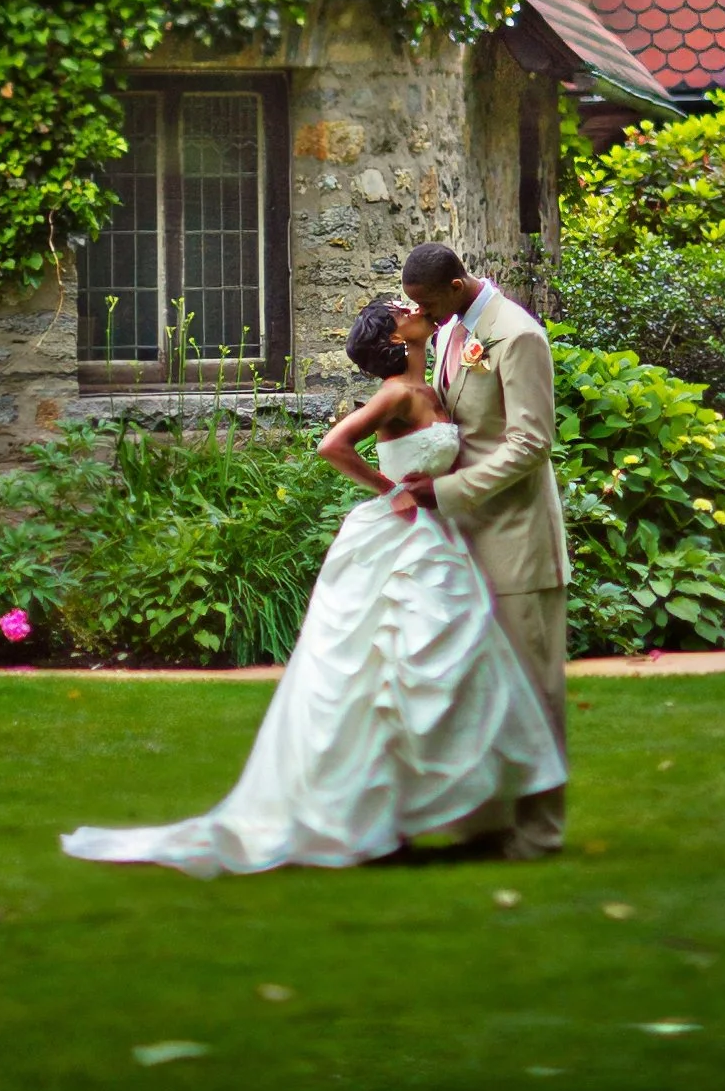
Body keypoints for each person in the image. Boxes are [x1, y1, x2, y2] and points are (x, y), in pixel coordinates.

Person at [57, 294, 563, 876]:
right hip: (401, 538)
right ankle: (368, 811)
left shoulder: (436, 385)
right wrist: (390, 490)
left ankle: (435, 809)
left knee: (449, 665)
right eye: (402, 308)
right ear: (398, 339)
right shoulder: (397, 394)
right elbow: (331, 445)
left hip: (439, 535)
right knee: (383, 668)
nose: (412, 306)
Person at [392, 240, 571, 859]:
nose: (424, 313)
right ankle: (485, 825)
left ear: (459, 283)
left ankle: (540, 832)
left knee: (532, 691)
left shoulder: (518, 336)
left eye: (428, 302)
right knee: (477, 690)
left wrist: (447, 490)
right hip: (466, 541)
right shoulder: (449, 332)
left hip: (519, 541)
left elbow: (530, 444)